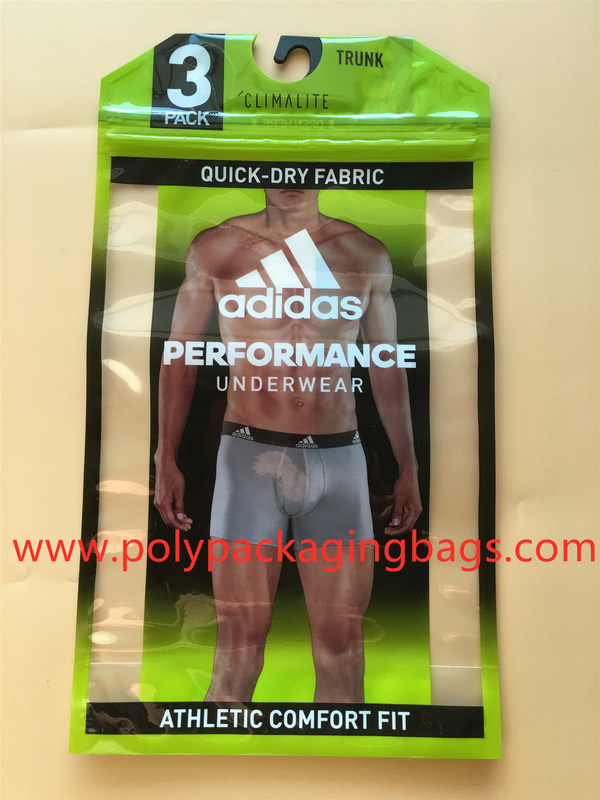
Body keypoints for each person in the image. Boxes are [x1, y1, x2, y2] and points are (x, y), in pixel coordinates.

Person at [154, 189, 421, 703]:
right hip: (250, 456)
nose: (292, 179)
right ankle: (215, 756)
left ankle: (342, 759)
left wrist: (407, 465)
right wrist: (165, 456)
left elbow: (387, 364)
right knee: (238, 646)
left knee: (343, 649)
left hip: (340, 457)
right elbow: (179, 354)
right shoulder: (218, 247)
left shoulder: (363, 252)